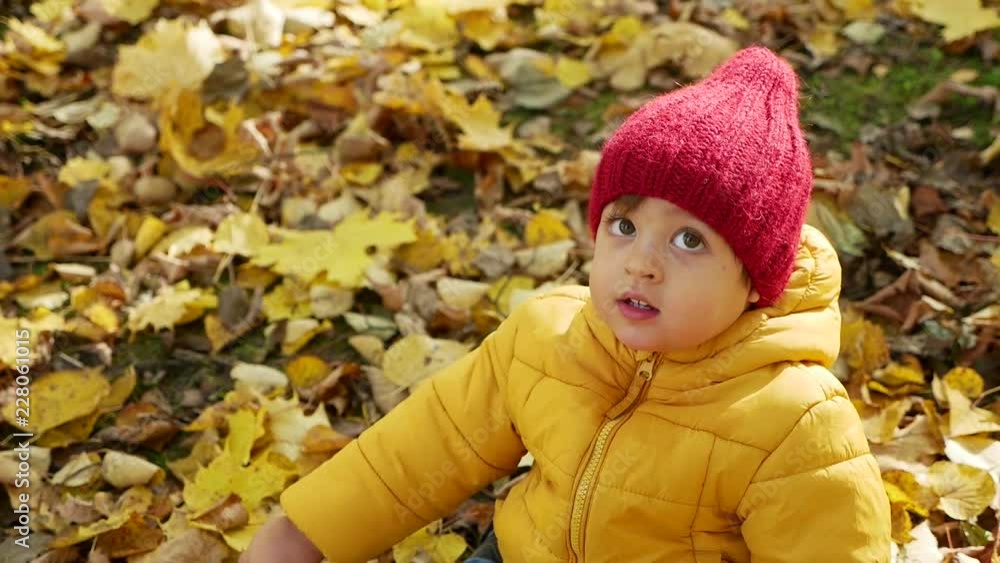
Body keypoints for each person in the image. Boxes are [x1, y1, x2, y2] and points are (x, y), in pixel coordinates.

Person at [240, 45, 892, 563]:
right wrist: (304, 531)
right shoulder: (548, 333)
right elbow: (422, 447)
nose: (642, 261)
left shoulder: (794, 422)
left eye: (689, 239)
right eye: (624, 225)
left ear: (755, 280)